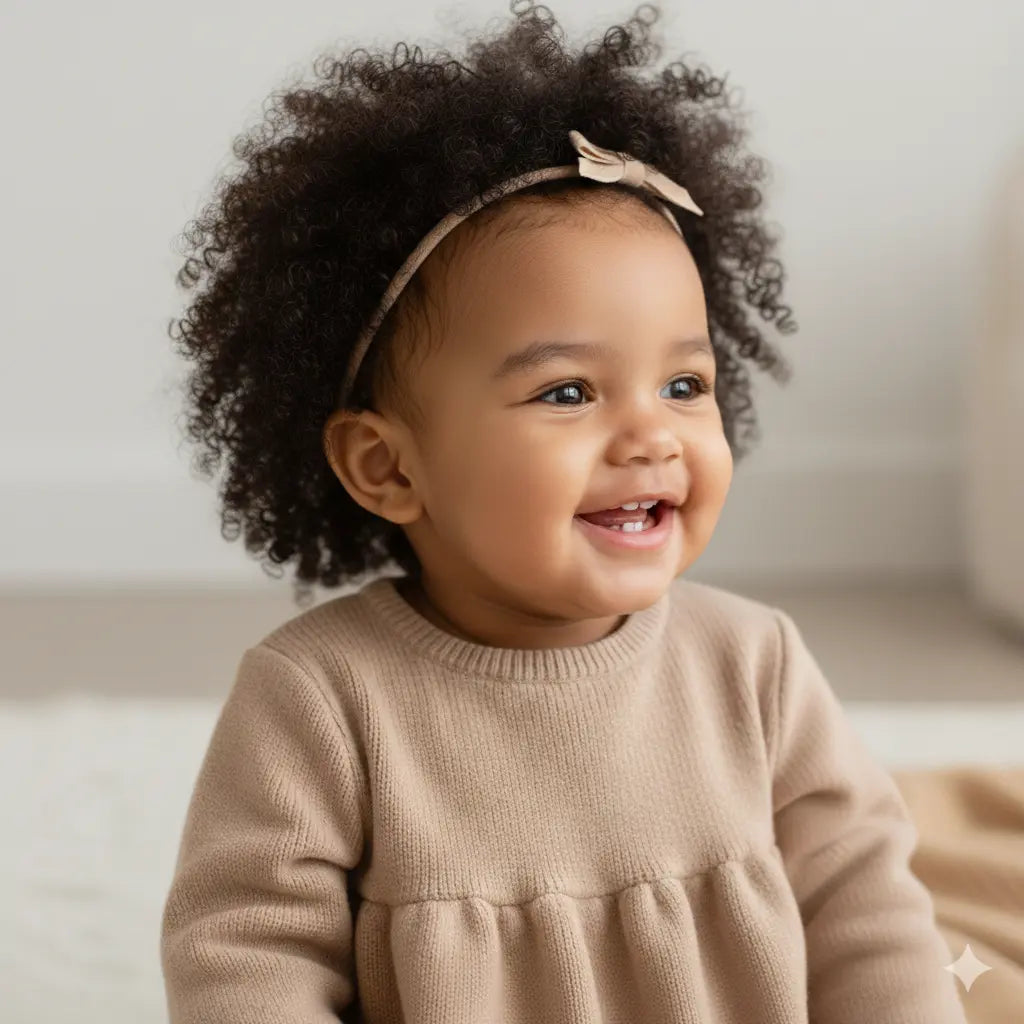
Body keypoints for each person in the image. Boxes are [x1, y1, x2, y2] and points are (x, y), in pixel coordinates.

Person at [159, 3, 969, 1021]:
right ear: (386, 466)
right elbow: (243, 955)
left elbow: (867, 907)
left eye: (682, 385)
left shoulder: (752, 664)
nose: (649, 436)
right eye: (568, 393)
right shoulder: (322, 698)